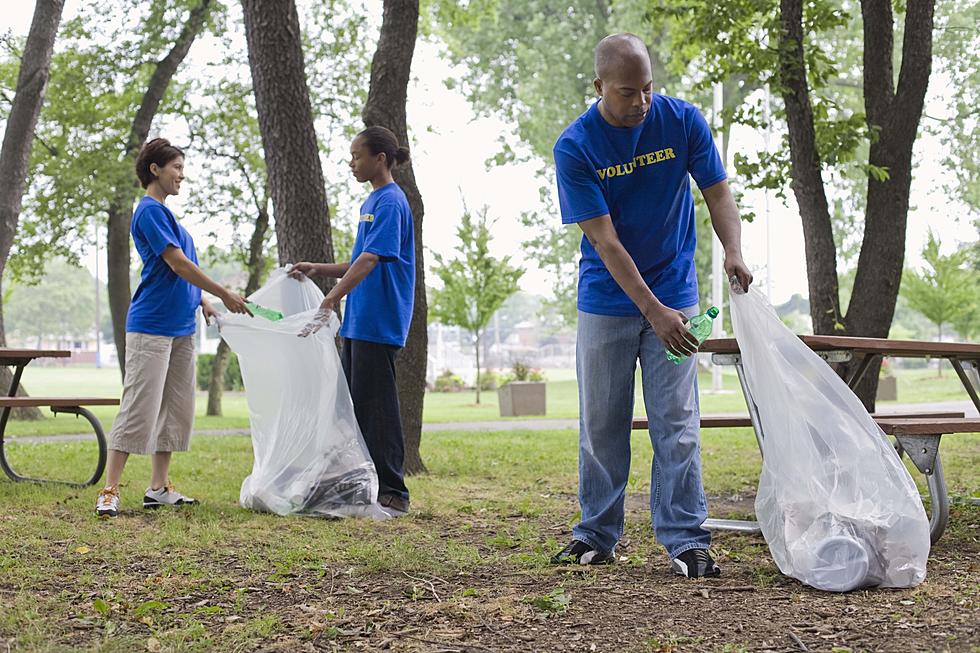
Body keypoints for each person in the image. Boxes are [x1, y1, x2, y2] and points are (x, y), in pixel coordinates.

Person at [549, 34, 753, 577]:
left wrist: (732, 250)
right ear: (598, 87)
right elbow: (604, 241)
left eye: (647, 89)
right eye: (625, 93)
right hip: (607, 302)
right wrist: (654, 312)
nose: (640, 102)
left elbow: (718, 193)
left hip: (676, 297)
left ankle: (686, 538)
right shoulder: (576, 146)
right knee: (603, 424)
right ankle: (595, 534)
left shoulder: (682, 121)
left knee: (678, 423)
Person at [95, 138, 252, 518]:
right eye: (177, 167)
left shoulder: (168, 216)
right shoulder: (148, 211)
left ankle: (158, 488)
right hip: (151, 325)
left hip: (182, 328)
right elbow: (177, 264)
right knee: (139, 407)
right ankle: (110, 489)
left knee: (176, 410)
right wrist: (224, 291)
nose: (182, 175)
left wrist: (205, 301)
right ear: (155, 169)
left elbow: (183, 276)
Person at [291, 126, 415, 518]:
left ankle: (394, 492)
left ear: (380, 158)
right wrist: (318, 269)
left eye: (356, 156)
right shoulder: (373, 201)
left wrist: (330, 299)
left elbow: (371, 260)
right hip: (360, 321)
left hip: (380, 320)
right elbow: (357, 259)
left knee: (378, 409)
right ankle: (364, 484)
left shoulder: (392, 201)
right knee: (355, 408)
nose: (351, 163)